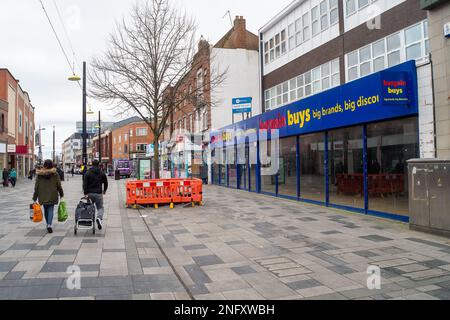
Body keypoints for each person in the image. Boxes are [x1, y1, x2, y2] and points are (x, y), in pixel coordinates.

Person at [32, 159, 64, 233]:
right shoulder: (55, 174)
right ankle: (49, 224)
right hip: (52, 194)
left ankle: (48, 224)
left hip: (42, 194)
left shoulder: (39, 174)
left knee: (46, 209)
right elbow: (59, 185)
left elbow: (36, 187)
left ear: (44, 165)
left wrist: (34, 197)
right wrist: (61, 194)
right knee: (51, 209)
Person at [83, 159, 108, 230]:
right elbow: (106, 182)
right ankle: (99, 218)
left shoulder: (88, 173)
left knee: (89, 207)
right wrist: (104, 190)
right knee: (100, 207)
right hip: (98, 194)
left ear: (92, 164)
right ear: (98, 164)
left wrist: (85, 193)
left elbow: (85, 184)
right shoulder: (101, 172)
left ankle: (89, 221)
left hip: (89, 194)